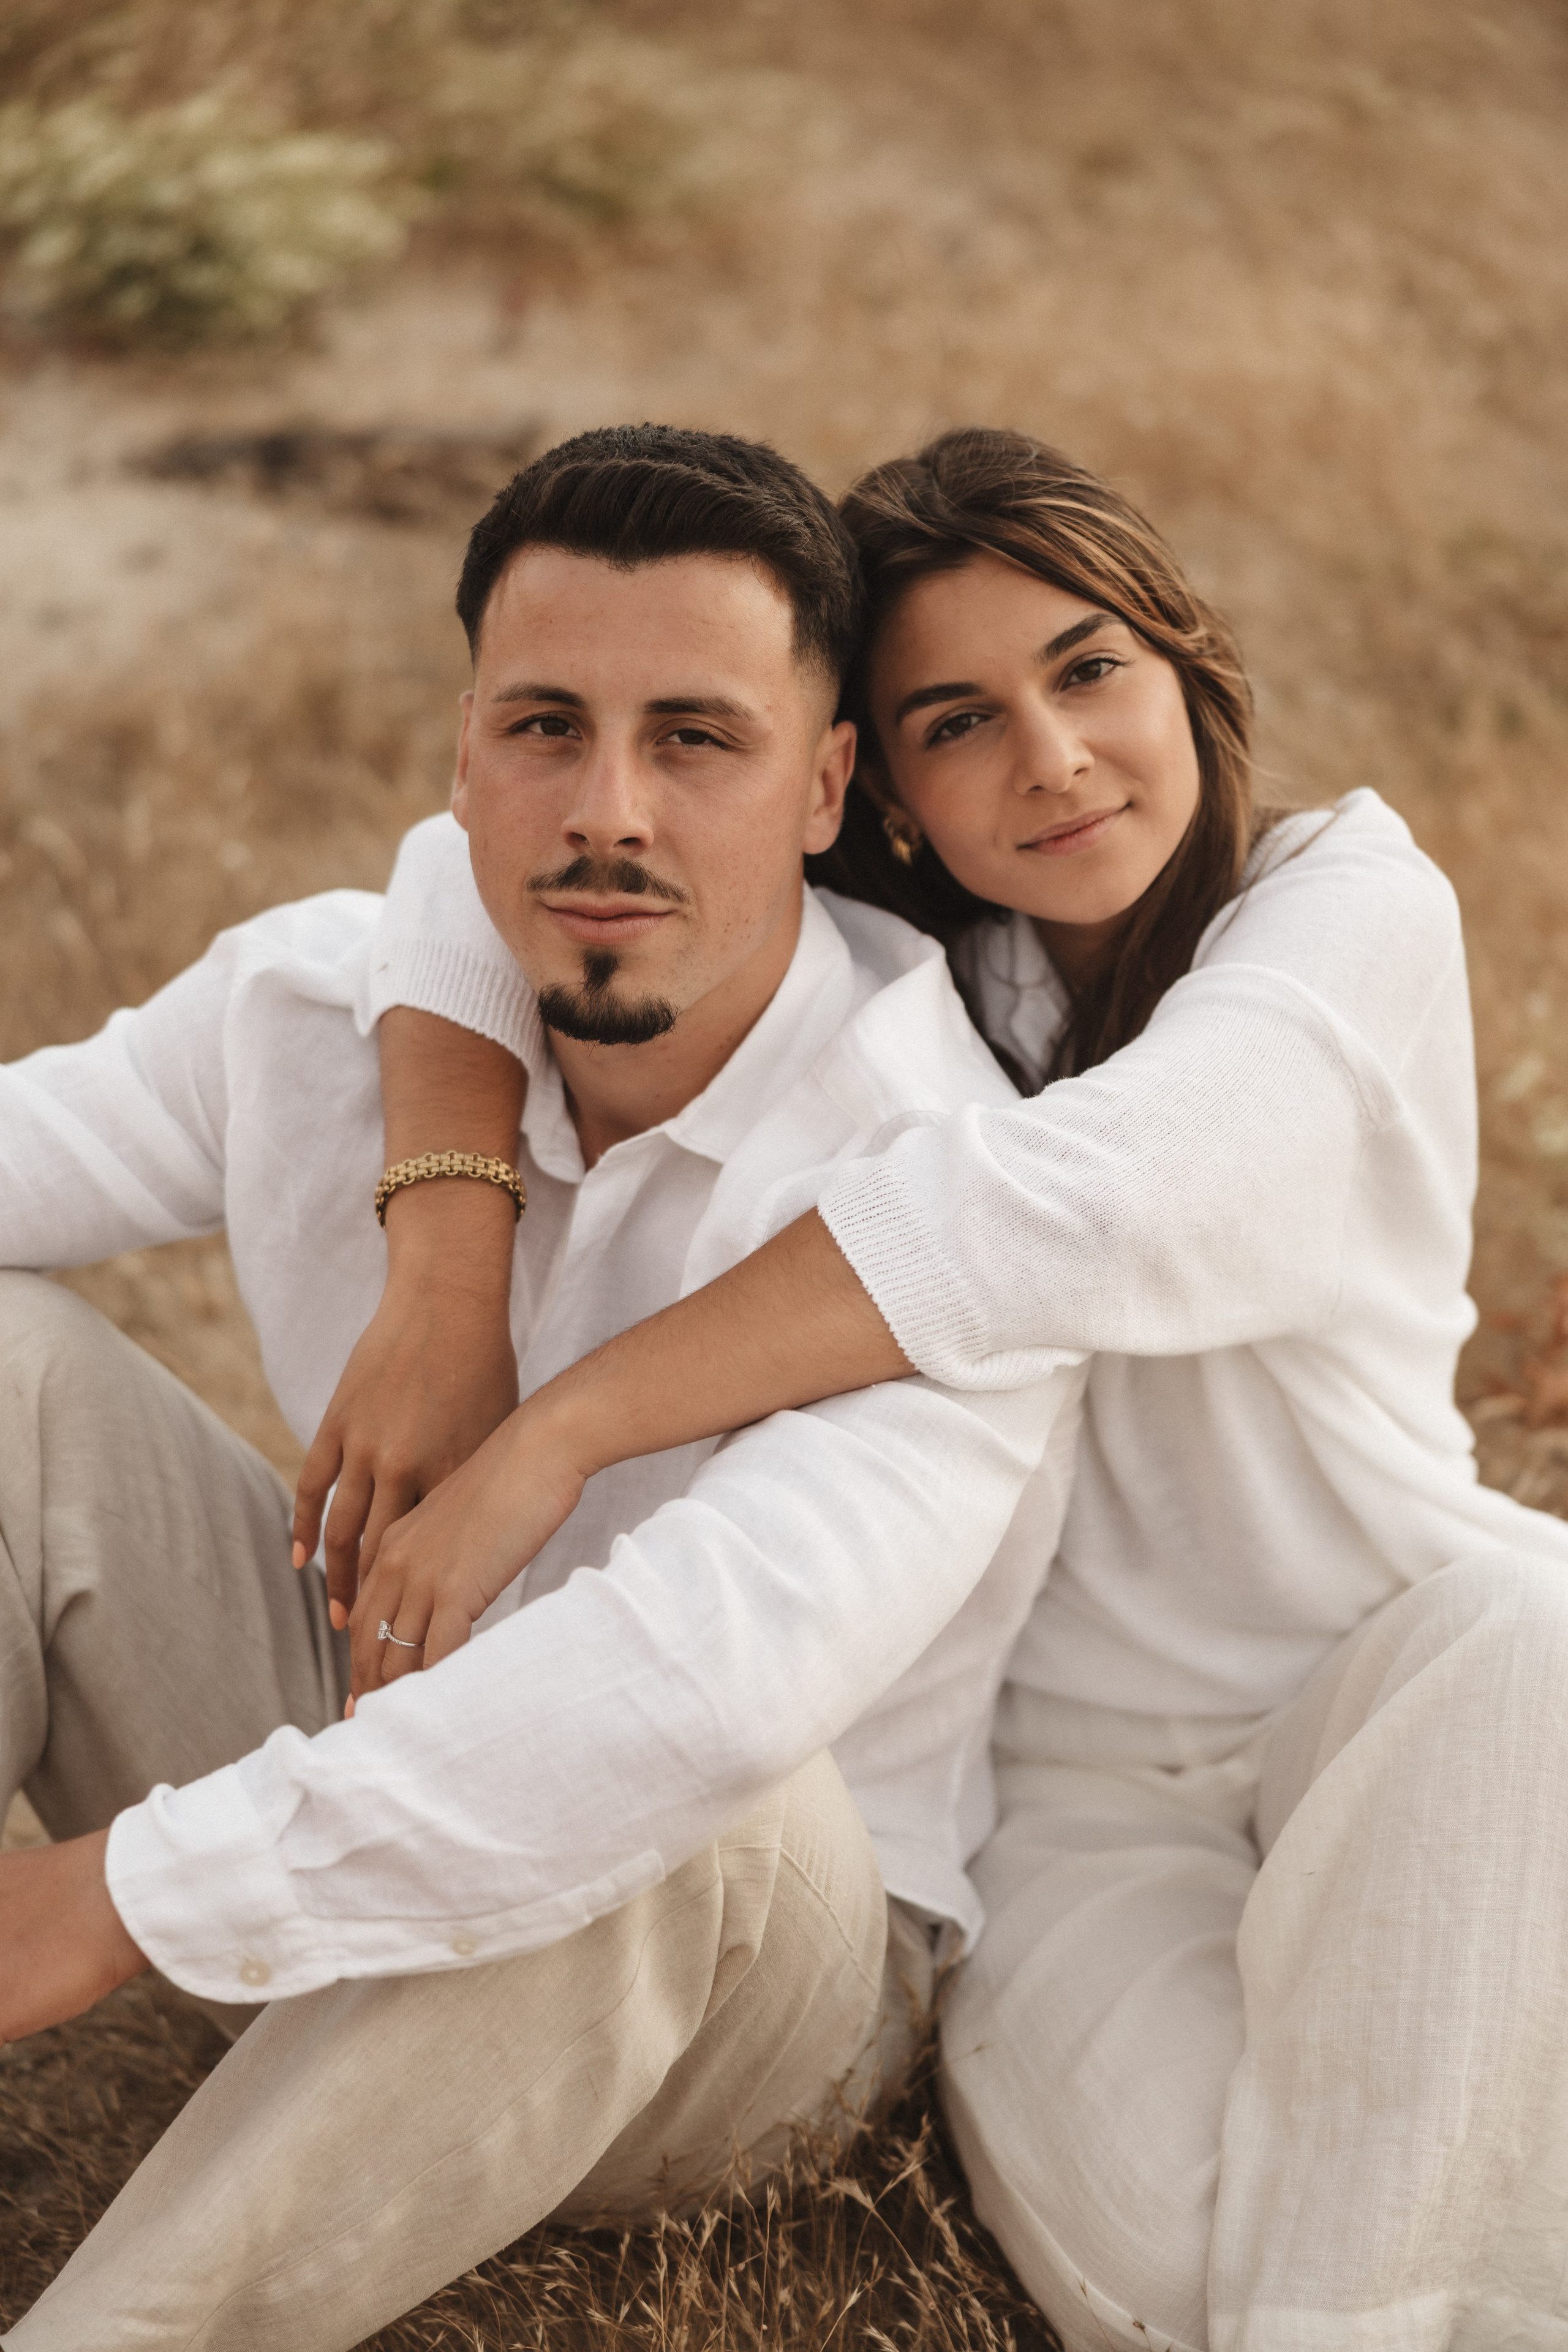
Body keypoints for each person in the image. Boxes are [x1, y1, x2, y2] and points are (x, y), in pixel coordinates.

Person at [326, 428, 1568, 2351]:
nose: (1053, 758)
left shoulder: (1347, 908)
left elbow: (1071, 1205)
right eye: (958, 721)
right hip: (1062, 1804)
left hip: (1396, 1674)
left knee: (1540, 1620)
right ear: (873, 786)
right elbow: (443, 873)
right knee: (1178, 2276)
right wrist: (446, 1259)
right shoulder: (937, 985)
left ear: (1187, 664)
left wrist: (557, 1428)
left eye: (1089, 672)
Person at [0, 424, 1087, 2350]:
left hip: (753, 1986)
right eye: (544, 729)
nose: (609, 813)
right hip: (359, 1734)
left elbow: (686, 1701)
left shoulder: (948, 1200)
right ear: (460, 759)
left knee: (707, 1778)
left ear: (828, 784)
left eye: (696, 738)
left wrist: (118, 1894)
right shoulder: (323, 1011)